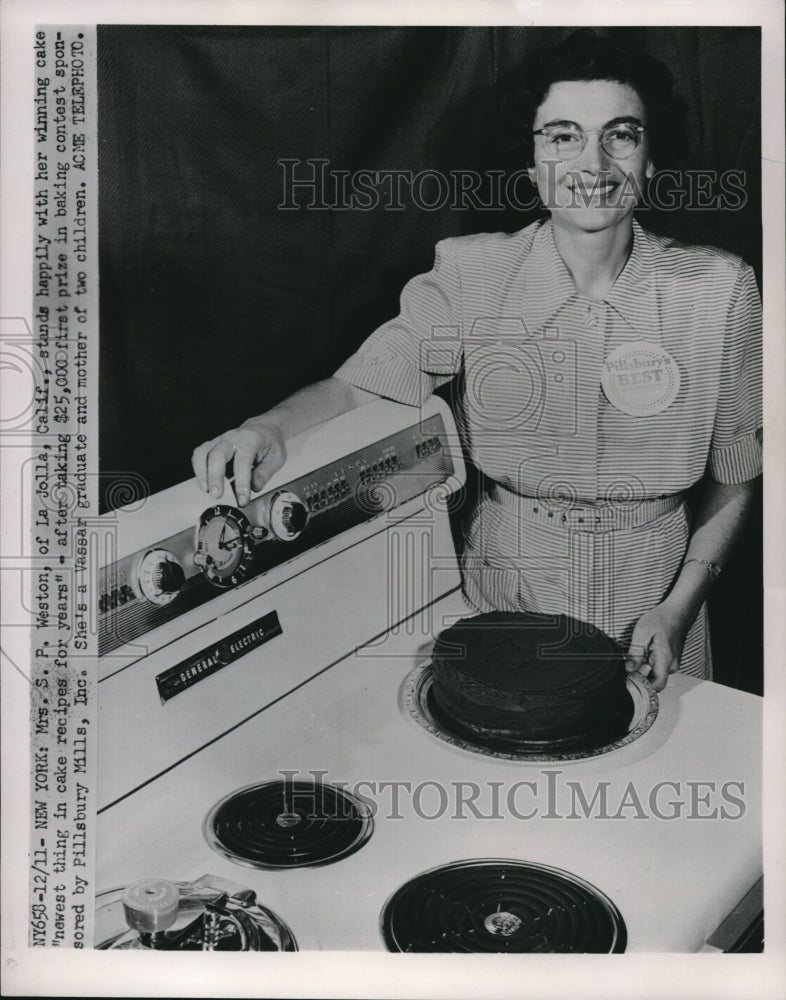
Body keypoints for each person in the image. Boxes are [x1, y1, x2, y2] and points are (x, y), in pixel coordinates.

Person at [192, 30, 762, 693]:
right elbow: (359, 389)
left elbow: (736, 476)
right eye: (562, 137)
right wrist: (268, 427)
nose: (593, 161)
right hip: (505, 605)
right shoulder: (471, 275)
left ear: (651, 158)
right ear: (532, 164)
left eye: (621, 135)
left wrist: (678, 609)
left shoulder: (721, 290)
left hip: (659, 616)